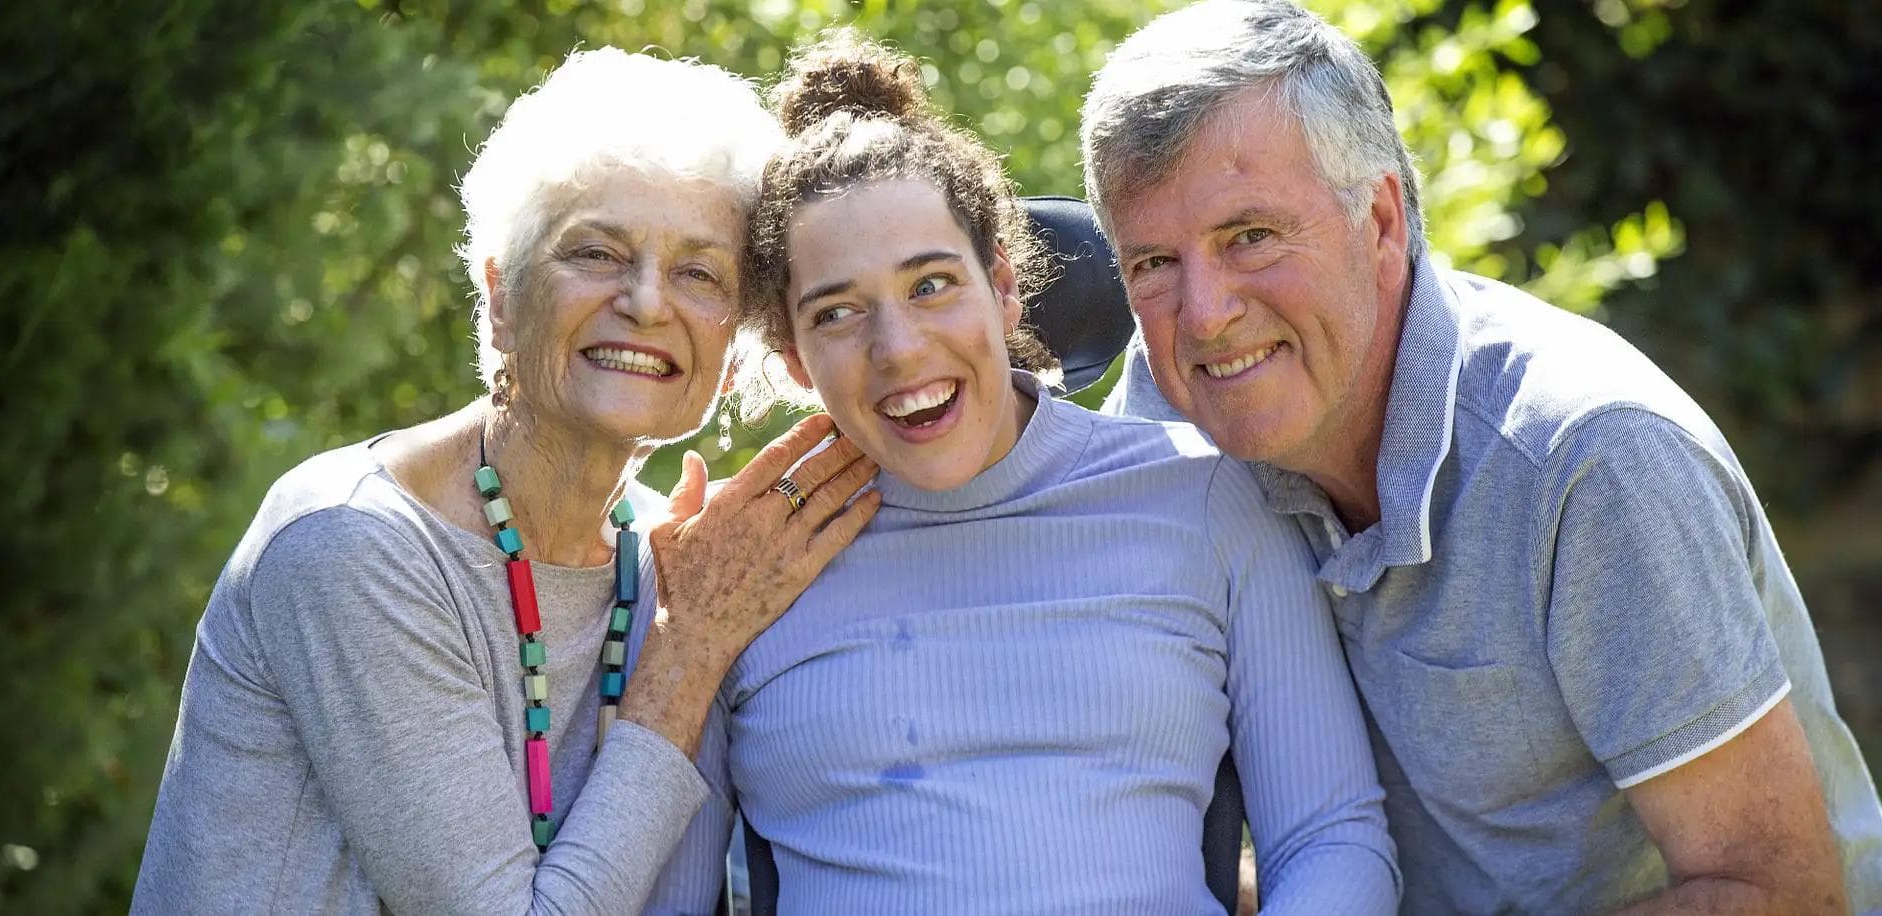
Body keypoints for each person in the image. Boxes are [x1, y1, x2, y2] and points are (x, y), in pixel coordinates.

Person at [1084, 1, 1882, 912]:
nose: (1203, 313)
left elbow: (1777, 892)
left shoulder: (1588, 460)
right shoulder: (1177, 407)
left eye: (1251, 237)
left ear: (1380, 221)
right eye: (1152, 262)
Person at [650, 30, 1400, 914]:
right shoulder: (739, 571)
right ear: (795, 357)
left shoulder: (1206, 500)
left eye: (932, 285)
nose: (899, 350)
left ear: (1003, 288)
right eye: (840, 312)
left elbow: (1331, 840)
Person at [132, 48, 881, 914]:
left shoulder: (669, 556)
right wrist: (689, 654)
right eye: (595, 253)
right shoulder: (352, 544)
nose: (645, 302)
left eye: (697, 272)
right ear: (500, 295)